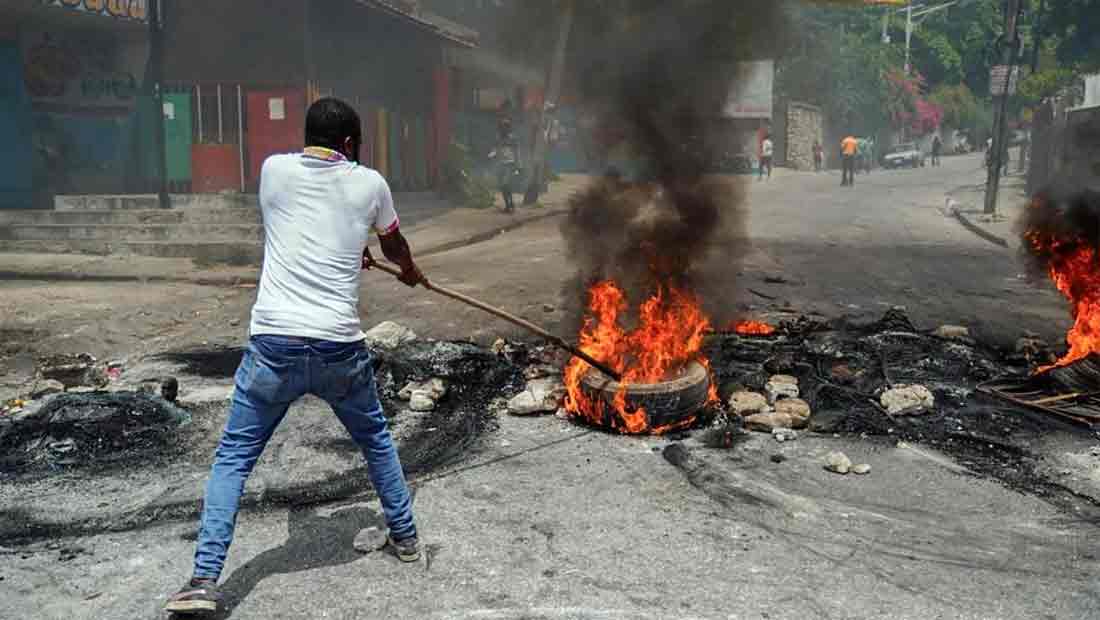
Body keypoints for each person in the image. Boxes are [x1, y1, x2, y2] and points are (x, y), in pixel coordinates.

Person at [164, 98, 425, 616]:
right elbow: (394, 246)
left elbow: (313, 221)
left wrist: (353, 250)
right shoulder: (370, 183)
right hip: (338, 348)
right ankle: (407, 537)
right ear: (350, 144)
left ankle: (202, 579)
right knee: (374, 439)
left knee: (234, 458)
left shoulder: (273, 171)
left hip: (274, 347)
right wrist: (410, 270)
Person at [489, 116, 520, 213]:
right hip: (500, 165)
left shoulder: (512, 139)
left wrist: (519, 166)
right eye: (502, 127)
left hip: (509, 164)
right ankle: (509, 204)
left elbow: (517, 152)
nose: (504, 128)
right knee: (503, 187)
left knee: (505, 184)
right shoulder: (498, 139)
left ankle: (510, 204)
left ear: (508, 128)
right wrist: (491, 154)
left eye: (506, 126)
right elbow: (495, 150)